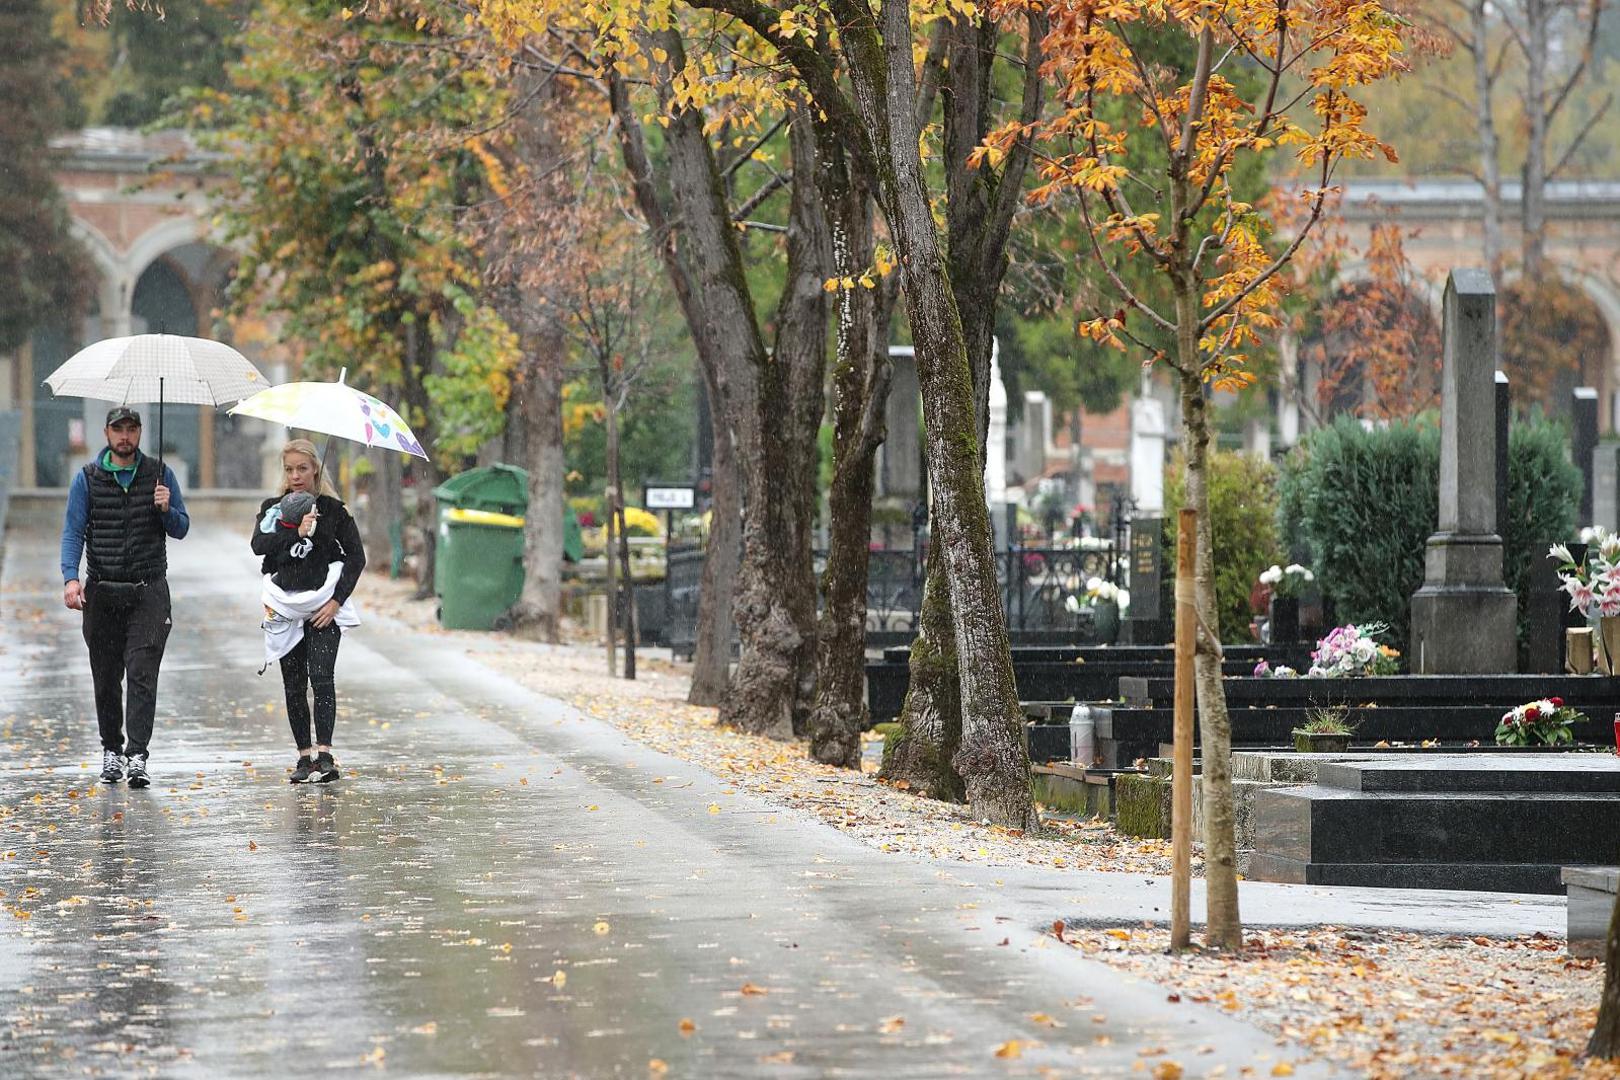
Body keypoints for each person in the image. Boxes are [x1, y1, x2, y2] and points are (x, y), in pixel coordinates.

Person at [60, 407, 190, 789]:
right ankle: (111, 749)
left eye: (131, 429)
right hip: (102, 591)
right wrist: (71, 578)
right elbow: (73, 531)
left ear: (139, 433)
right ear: (106, 433)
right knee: (105, 677)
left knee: (142, 673)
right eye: (118, 430)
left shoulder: (161, 476)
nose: (125, 437)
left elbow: (181, 528)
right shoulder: (87, 479)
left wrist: (167, 509)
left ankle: (137, 755)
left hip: (148, 591)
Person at [252, 439, 365, 784]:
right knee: (293, 683)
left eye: (302, 468)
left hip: (322, 607)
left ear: (315, 469)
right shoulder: (273, 509)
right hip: (285, 606)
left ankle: (326, 754)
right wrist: (294, 532)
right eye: (289, 469)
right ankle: (304, 757)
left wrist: (336, 603)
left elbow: (356, 558)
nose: (296, 475)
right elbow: (259, 546)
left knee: (322, 677)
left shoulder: (333, 510)